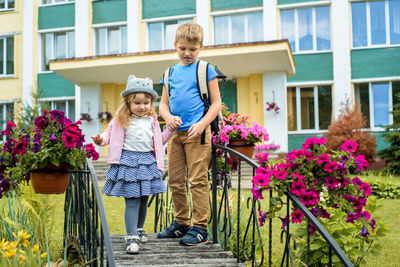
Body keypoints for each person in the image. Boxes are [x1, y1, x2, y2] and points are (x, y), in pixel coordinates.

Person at [92, 75, 180, 254]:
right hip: (128, 163)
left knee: (143, 199)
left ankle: (139, 229)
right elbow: (108, 135)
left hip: (147, 162)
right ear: (128, 103)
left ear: (151, 103)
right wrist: (100, 139)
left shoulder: (152, 121)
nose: (142, 107)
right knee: (132, 201)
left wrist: (170, 130)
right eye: (137, 103)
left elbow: (158, 142)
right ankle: (131, 236)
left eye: (146, 103)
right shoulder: (120, 119)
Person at [157, 22, 222, 246]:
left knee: (197, 181)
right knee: (175, 181)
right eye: (183, 48)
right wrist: (167, 117)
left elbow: (216, 103)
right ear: (175, 45)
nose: (187, 53)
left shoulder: (205, 70)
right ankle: (181, 223)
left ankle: (200, 227)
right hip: (176, 136)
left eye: (192, 49)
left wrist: (203, 124)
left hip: (198, 135)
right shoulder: (169, 73)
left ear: (200, 47)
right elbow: (163, 105)